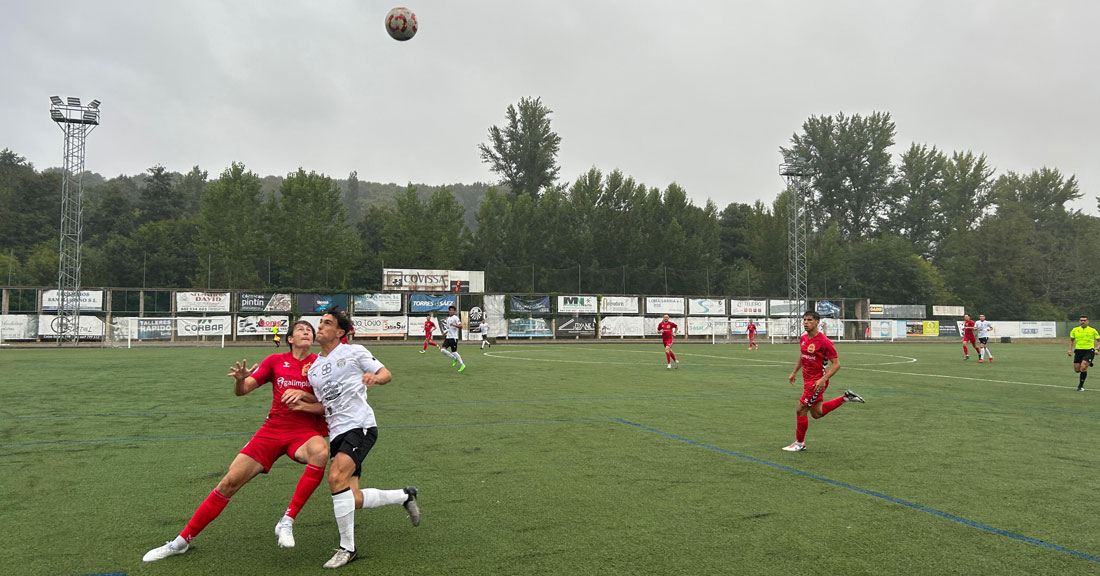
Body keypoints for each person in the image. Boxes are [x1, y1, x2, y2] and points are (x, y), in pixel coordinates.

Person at [142, 320, 328, 562]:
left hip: (303, 432)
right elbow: (242, 391)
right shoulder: (274, 361)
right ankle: (181, 541)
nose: (307, 332)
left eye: (310, 330)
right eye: (301, 329)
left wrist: (304, 397)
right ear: (290, 338)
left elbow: (327, 406)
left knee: (321, 451)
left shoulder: (321, 364)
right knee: (228, 483)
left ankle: (287, 520)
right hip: (272, 431)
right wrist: (240, 379)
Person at [286, 307, 419, 569]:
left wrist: (375, 379)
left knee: (335, 477)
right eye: (320, 322)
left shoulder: (354, 351)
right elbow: (324, 405)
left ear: (340, 332)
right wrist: (301, 401)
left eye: (326, 323)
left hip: (360, 426)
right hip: (337, 433)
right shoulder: (314, 369)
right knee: (353, 498)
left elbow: (386, 374)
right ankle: (406, 496)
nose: (319, 327)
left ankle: (348, 549)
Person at [782, 311, 865, 452]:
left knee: (800, 410)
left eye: (809, 320)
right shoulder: (803, 338)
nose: (805, 323)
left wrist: (822, 379)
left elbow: (836, 364)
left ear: (817, 322)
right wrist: (794, 372)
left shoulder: (824, 342)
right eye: (804, 320)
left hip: (817, 382)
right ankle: (845, 397)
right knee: (816, 413)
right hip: (807, 381)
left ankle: (799, 443)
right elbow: (802, 356)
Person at [1068, 315, 1099, 391]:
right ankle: (1089, 362)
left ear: (1087, 321)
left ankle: (1080, 386)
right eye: (1081, 320)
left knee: (1083, 367)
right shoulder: (1075, 330)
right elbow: (1071, 340)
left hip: (1089, 351)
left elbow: (1099, 341)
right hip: (1078, 351)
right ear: (1079, 321)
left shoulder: (1093, 330)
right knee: (1077, 370)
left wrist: (1097, 349)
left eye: (1084, 320)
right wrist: (1070, 350)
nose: (1083, 322)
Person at [441, 305, 466, 372]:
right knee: (442, 350)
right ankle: (454, 358)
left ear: (454, 311)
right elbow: (448, 328)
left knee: (454, 352)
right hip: (448, 337)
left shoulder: (456, 318)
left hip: (454, 338)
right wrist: (445, 332)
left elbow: (461, 326)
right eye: (450, 310)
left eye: (452, 310)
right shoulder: (448, 319)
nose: (451, 311)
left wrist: (454, 325)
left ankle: (462, 364)